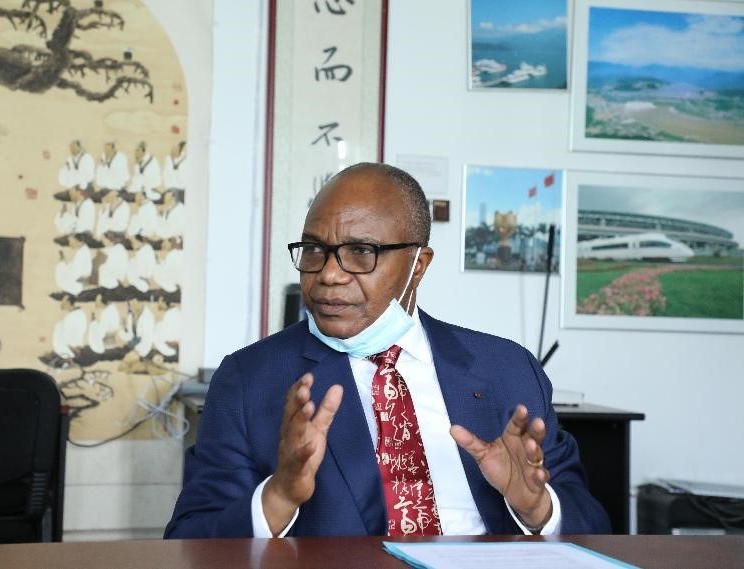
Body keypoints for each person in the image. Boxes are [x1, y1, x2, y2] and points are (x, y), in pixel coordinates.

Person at [165, 163, 609, 538]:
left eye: (361, 252)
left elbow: (593, 526)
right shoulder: (250, 379)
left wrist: (536, 508)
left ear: (418, 265)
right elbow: (190, 539)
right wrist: (277, 498)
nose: (329, 275)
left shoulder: (506, 369)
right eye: (315, 250)